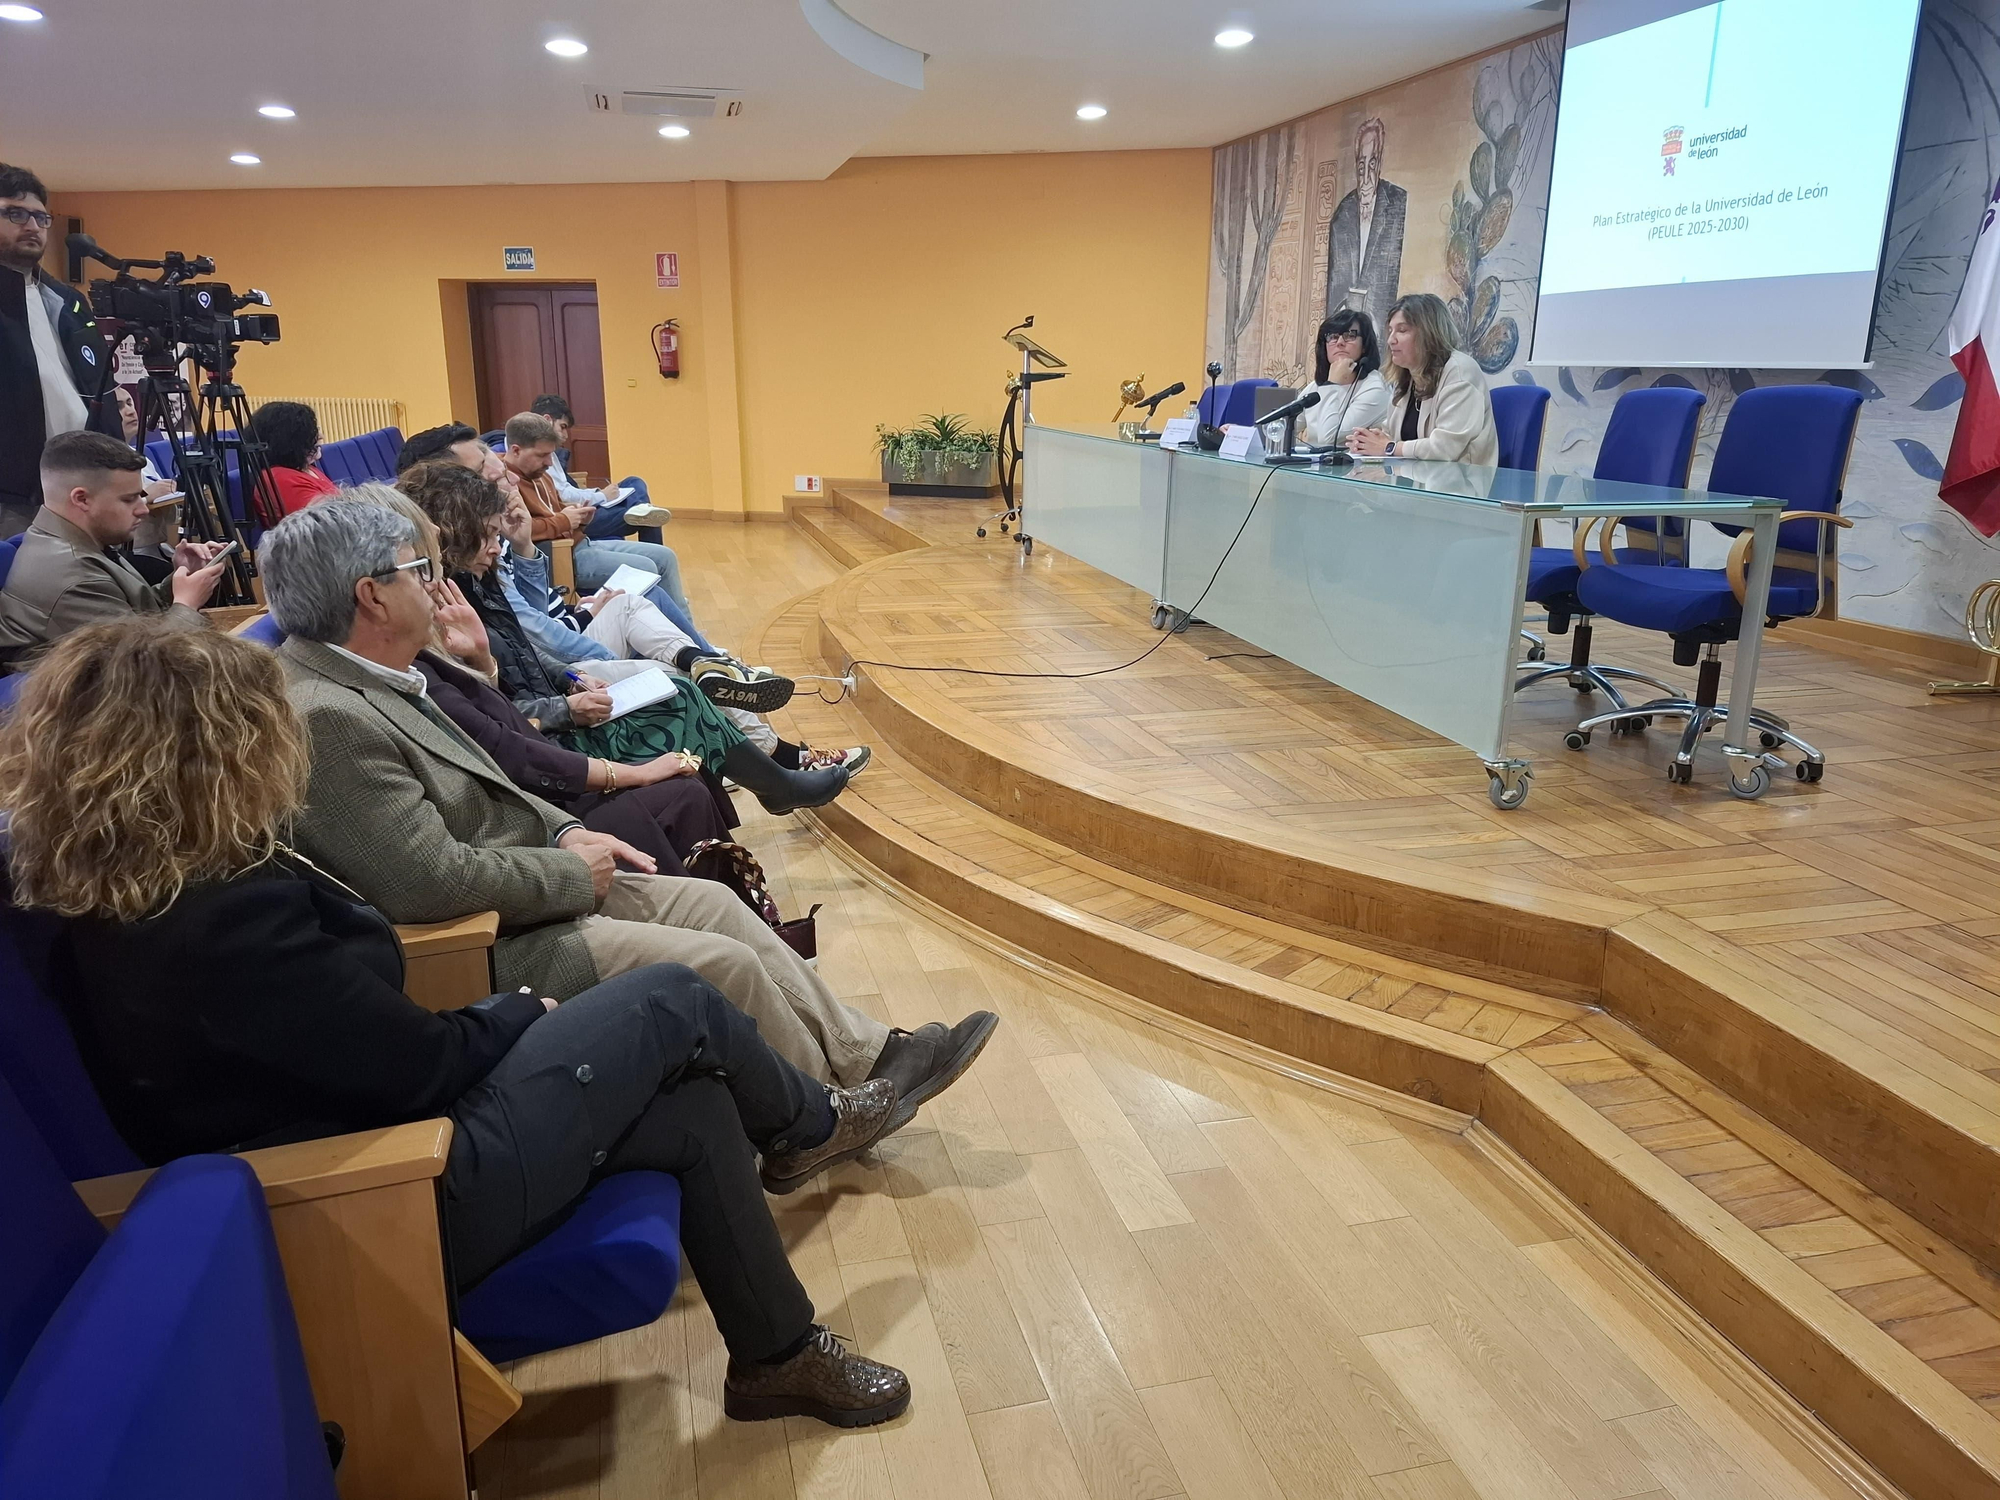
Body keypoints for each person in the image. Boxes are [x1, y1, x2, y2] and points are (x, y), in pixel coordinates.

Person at [0, 618, 915, 1424]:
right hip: (372, 1194)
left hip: (361, 1152)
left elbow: (361, 1044)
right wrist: (517, 1011)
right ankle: (817, 1125)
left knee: (694, 1107)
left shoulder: (130, 883)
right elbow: (415, 1068)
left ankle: (775, 1357)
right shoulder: (213, 917)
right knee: (672, 998)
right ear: (209, 752)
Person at [257, 499, 996, 1105]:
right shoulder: (326, 713)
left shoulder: (378, 672)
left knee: (714, 908)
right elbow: (427, 883)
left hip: (530, 876)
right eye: (419, 572)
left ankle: (869, 1054)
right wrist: (573, 870)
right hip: (490, 940)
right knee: (716, 959)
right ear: (372, 596)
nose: (433, 584)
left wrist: (571, 829)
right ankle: (824, 1110)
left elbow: (494, 774)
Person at [400, 461, 851, 816]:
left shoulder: (478, 578)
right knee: (679, 696)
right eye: (489, 537)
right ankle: (773, 775)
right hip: (551, 744)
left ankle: (734, 708)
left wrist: (573, 676)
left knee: (678, 687)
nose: (497, 547)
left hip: (560, 707)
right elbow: (490, 718)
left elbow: (529, 652)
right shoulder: (443, 609)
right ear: (456, 533)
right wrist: (564, 704)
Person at [341, 481, 738, 869]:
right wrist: (613, 776)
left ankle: (724, 689)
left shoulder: (456, 604)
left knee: (682, 732)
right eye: (423, 568)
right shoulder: (419, 645)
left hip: (540, 758)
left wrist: (496, 662)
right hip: (532, 793)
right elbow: (502, 746)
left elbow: (505, 699)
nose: (433, 581)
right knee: (680, 747)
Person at [0, 431, 231, 670]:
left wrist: (180, 580)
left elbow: (130, 612)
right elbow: (144, 669)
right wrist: (186, 604)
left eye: (141, 496)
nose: (143, 509)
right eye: (129, 499)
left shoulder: (78, 540)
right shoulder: (73, 578)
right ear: (82, 499)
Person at [0, 162, 119, 537]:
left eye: (40, 217)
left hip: (80, 486)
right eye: (15, 213)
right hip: (14, 497)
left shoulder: (67, 300)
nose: (32, 226)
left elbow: (97, 385)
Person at [502, 412, 696, 621]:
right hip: (562, 557)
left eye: (551, 454)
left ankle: (693, 639)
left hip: (582, 544)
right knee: (646, 568)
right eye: (542, 456)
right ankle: (668, 642)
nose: (549, 462)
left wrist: (579, 516)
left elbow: (556, 510)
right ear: (516, 450)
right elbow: (518, 530)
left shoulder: (540, 475)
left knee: (665, 556)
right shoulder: (504, 482)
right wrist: (565, 520)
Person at [1347, 293, 1499, 465]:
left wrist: (1389, 447)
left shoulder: (1461, 371)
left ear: (1429, 333)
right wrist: (1368, 441)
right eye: (1390, 331)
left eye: (1402, 330)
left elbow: (1445, 448)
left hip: (1460, 485)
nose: (1390, 340)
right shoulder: (1408, 376)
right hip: (1415, 481)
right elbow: (1392, 434)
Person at [527, 392, 673, 537]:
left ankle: (640, 507)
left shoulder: (548, 451)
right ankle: (643, 515)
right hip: (577, 520)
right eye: (563, 427)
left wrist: (597, 493)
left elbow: (566, 489)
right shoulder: (533, 455)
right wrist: (601, 495)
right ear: (546, 420)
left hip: (583, 508)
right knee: (652, 516)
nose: (565, 435)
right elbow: (563, 496)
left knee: (634, 482)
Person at [1325, 119, 1407, 327]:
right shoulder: (1342, 215)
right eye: (1361, 166)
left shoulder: (1397, 203)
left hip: (1382, 331)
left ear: (1379, 164)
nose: (1367, 178)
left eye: (1372, 163)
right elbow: (1336, 289)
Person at [1300, 310, 1392, 449]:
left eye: (1350, 336)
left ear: (1364, 346)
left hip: (1360, 469)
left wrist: (1332, 384)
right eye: (1333, 336)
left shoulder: (1375, 388)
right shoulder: (1315, 387)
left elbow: (1328, 438)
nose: (1340, 343)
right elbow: (1281, 427)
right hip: (1315, 467)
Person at [249, 400, 340, 515]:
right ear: (290, 442)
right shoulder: (281, 479)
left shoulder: (305, 468)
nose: (321, 436)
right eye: (310, 434)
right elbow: (328, 521)